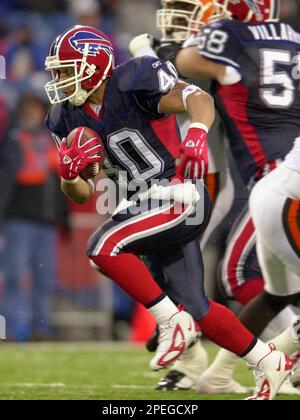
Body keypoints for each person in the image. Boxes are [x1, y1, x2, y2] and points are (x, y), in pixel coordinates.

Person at [44, 24, 295, 400]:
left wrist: (195, 134)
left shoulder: (133, 79)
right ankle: (268, 360)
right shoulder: (64, 117)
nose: (59, 80)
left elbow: (199, 100)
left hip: (178, 193)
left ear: (92, 65)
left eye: (66, 69)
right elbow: (81, 194)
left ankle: (169, 321)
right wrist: (67, 176)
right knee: (197, 306)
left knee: (103, 247)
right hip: (141, 209)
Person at [167, 0, 300, 393]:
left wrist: (204, 56)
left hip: (278, 176)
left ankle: (281, 360)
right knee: (276, 291)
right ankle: (221, 372)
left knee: (239, 274)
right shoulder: (293, 37)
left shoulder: (235, 36)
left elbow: (186, 60)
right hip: (282, 167)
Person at [0, 93, 68, 341]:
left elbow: (63, 180)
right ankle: (12, 329)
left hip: (46, 220)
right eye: (28, 108)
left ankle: (41, 328)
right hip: (18, 217)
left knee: (45, 278)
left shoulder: (52, 140)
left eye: (37, 108)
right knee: (15, 276)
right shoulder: (11, 137)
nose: (33, 112)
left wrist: (64, 218)